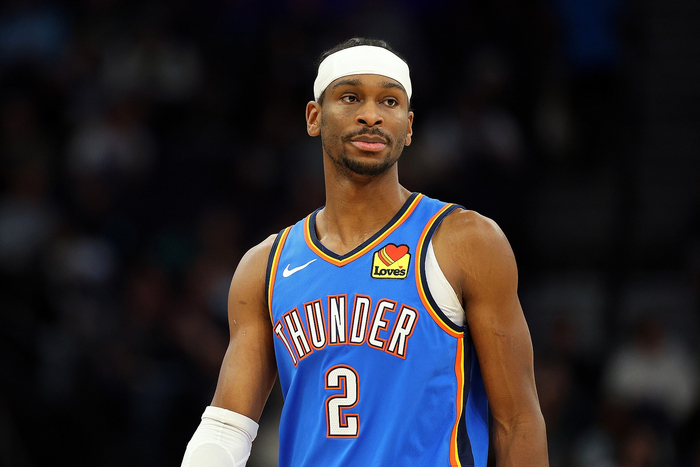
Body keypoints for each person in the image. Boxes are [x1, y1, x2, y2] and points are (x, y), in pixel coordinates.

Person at [180, 37, 548, 467]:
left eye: (389, 101)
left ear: (408, 127)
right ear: (314, 117)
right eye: (351, 97)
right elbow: (225, 429)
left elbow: (517, 421)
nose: (371, 115)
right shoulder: (266, 265)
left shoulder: (465, 241)